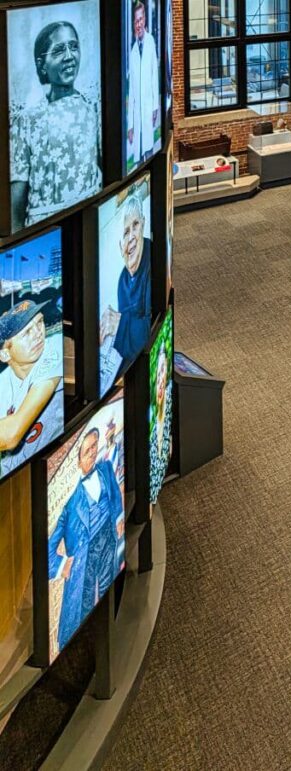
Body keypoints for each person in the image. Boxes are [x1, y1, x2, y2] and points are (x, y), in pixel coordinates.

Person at [10, 20, 102, 231]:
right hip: (46, 230)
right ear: (42, 64)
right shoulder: (27, 120)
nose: (69, 56)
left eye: (74, 46)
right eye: (59, 50)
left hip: (89, 222)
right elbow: (16, 204)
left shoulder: (92, 109)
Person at [47, 428, 125, 654]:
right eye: (86, 450)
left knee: (110, 588)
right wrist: (62, 565)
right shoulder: (69, 502)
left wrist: (119, 517)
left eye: (94, 447)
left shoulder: (105, 468)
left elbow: (114, 495)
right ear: (78, 460)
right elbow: (46, 549)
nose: (92, 453)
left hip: (108, 543)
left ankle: (111, 620)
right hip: (83, 561)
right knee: (81, 610)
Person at [0, 300, 63, 476]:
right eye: (27, 332)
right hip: (13, 480)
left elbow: (12, 433)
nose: (38, 334)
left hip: (50, 465)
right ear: (5, 353)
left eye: (40, 322)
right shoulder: (2, 383)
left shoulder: (53, 349)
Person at [100, 192, 152, 393]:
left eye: (135, 226)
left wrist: (119, 324)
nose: (131, 237)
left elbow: (150, 329)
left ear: (144, 224)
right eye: (125, 232)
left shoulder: (153, 258)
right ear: (120, 246)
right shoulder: (123, 279)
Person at [126, 0, 160, 167]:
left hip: (148, 107)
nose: (138, 24)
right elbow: (131, 91)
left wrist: (155, 106)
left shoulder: (151, 42)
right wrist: (130, 124)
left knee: (149, 149)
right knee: (138, 158)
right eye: (135, 21)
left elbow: (154, 75)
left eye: (141, 20)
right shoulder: (132, 52)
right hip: (137, 111)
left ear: (145, 19)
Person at [149, 344, 172, 500]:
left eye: (164, 371)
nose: (161, 379)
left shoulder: (169, 399)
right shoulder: (150, 418)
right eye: (159, 373)